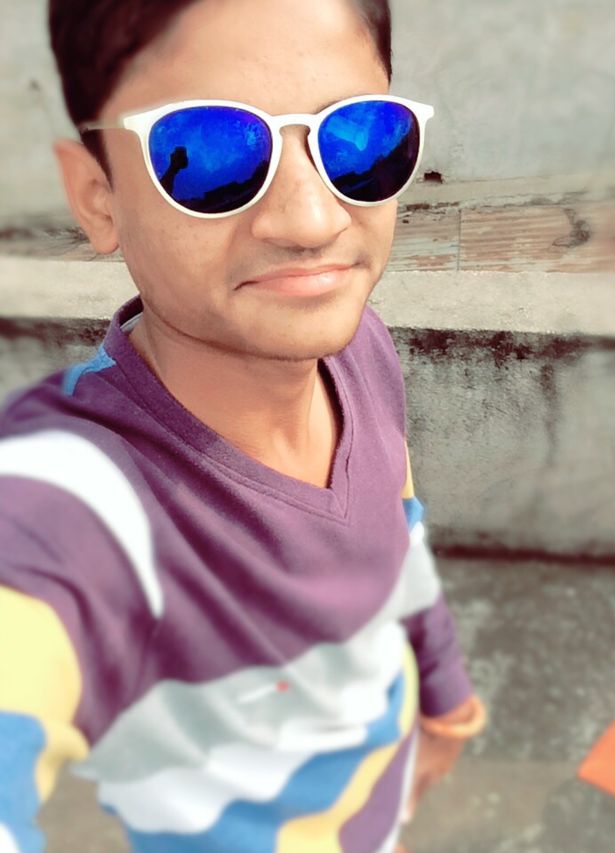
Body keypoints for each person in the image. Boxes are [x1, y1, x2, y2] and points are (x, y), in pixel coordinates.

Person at [0, 1, 487, 850]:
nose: (312, 221)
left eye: (358, 138)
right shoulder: (73, 510)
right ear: (97, 196)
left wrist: (443, 696)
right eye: (212, 154)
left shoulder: (360, 348)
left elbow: (399, 535)